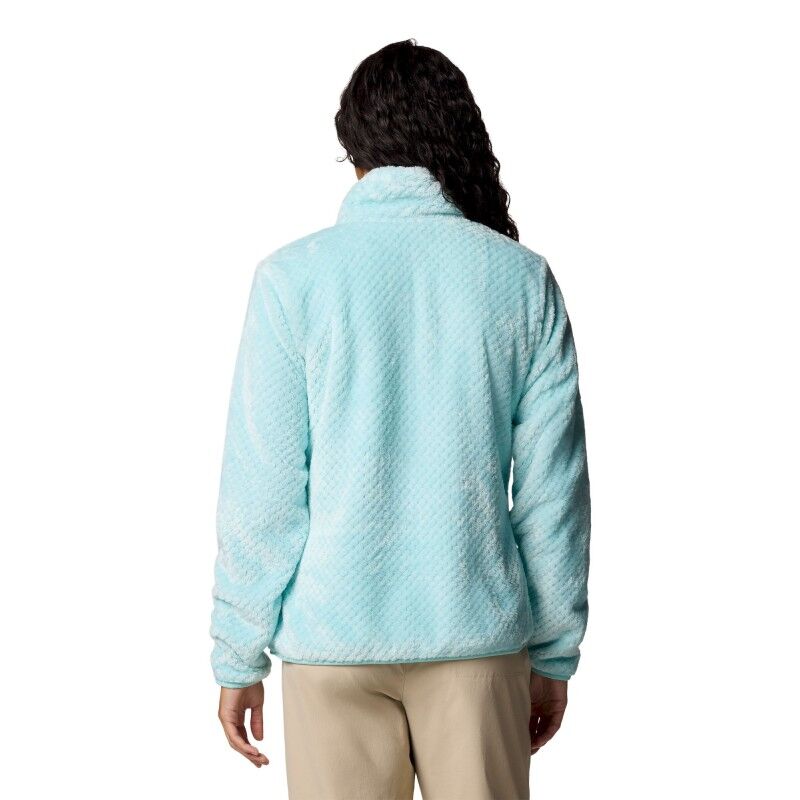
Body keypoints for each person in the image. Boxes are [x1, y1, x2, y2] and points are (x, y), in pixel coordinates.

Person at [209, 39, 591, 800]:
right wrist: (553, 655)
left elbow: (264, 488)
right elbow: (553, 496)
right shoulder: (521, 281)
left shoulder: (293, 280)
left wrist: (237, 652)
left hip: (331, 642)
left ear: (353, 150)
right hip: (476, 641)